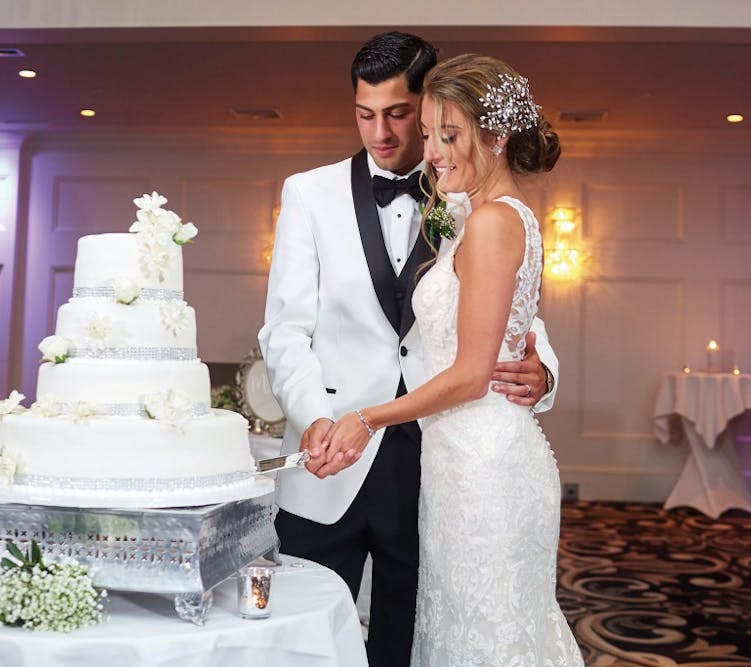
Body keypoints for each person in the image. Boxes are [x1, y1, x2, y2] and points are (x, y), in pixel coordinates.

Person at [258, 33, 560, 666]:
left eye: (400, 115)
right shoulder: (308, 194)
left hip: (434, 459)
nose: (383, 134)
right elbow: (285, 330)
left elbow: (518, 320)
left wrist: (544, 372)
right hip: (331, 456)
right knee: (305, 636)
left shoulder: (468, 198)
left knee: (418, 631)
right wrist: (318, 419)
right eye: (365, 115)